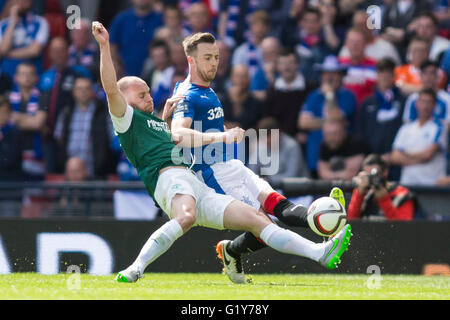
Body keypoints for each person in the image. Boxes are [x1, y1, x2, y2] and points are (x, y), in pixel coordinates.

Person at [91, 21, 352, 284]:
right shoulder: (125, 117)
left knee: (257, 219)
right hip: (172, 178)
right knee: (188, 217)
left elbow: (169, 138)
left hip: (195, 180)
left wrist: (165, 119)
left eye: (148, 93)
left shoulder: (157, 118)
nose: (149, 98)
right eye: (142, 95)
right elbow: (113, 89)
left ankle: (319, 251)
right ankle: (136, 267)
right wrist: (104, 46)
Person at [170, 32, 348, 284]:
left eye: (217, 57)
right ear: (191, 61)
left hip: (231, 165)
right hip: (212, 172)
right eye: (207, 58)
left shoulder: (202, 90)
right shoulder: (188, 95)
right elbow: (178, 134)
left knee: (275, 202)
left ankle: (236, 249)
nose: (214, 63)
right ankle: (319, 252)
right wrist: (222, 137)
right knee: (262, 223)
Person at [298, 55, 356, 176]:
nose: (329, 77)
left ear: (340, 76)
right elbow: (303, 122)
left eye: (334, 73)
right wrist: (329, 121)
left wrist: (330, 95)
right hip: (315, 157)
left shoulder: (348, 96)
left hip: (341, 159)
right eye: (326, 73)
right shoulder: (314, 96)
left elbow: (335, 117)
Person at [53, 76, 117, 178]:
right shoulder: (66, 113)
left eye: (86, 88)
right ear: (74, 92)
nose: (83, 92)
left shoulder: (103, 113)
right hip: (71, 172)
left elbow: (111, 139)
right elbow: (59, 139)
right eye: (79, 89)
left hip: (96, 171)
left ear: (92, 91)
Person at [391, 88, 448, 186]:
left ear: (434, 105)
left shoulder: (440, 127)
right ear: (416, 103)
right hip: (408, 183)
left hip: (431, 185)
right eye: (423, 101)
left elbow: (428, 154)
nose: (425, 106)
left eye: (429, 102)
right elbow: (395, 157)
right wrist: (418, 158)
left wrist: (406, 153)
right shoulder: (405, 128)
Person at [358, 58, 406, 171]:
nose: (385, 76)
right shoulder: (367, 102)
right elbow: (362, 131)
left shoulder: (403, 101)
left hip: (396, 160)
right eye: (381, 72)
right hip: (371, 159)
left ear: (393, 75)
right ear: (377, 75)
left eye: (388, 73)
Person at [348, 154, 415, 220]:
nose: (371, 180)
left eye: (374, 175)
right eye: (367, 176)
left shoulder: (402, 194)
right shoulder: (365, 194)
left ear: (385, 172)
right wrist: (359, 194)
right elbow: (350, 222)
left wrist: (384, 199)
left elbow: (405, 227)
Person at [9, 62, 46, 180]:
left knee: (34, 190)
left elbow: (37, 124)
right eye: (23, 74)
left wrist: (15, 118)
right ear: (16, 77)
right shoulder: (8, 98)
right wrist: (29, 119)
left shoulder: (42, 97)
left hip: (35, 152)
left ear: (36, 78)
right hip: (11, 153)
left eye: (30, 74)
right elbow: (4, 120)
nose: (27, 77)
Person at [262, 48, 310, 138]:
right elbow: (267, 117)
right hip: (277, 139)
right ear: (277, 67)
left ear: (297, 65)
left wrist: (305, 133)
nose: (286, 67)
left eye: (290, 63)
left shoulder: (309, 88)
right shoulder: (272, 90)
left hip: (302, 138)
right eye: (282, 63)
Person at [108, 0, 163, 76]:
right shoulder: (121, 19)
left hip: (154, 74)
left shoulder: (160, 18)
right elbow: (112, 45)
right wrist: (117, 66)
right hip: (124, 74)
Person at [0, 0, 49, 77]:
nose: (21, 2)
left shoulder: (40, 22)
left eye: (24, 0)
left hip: (31, 78)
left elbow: (34, 51)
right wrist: (13, 21)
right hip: (7, 77)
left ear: (30, 2)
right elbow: (3, 49)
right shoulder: (3, 25)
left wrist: (8, 54)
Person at [0, 95, 23, 181]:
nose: (1, 115)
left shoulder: (14, 132)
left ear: (10, 113)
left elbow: (8, 161)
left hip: (9, 181)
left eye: (4, 112)